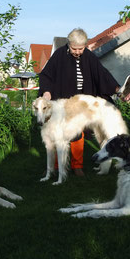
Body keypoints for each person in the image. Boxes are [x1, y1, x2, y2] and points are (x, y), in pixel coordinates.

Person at [38, 28, 120, 176]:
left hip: (80, 104)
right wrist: (47, 91)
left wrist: (115, 88)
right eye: (74, 48)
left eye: (80, 49)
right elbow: (46, 75)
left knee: (78, 133)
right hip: (62, 103)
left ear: (85, 46)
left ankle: (77, 166)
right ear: (69, 45)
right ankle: (55, 166)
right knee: (57, 134)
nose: (77, 52)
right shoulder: (59, 55)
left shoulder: (88, 56)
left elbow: (101, 74)